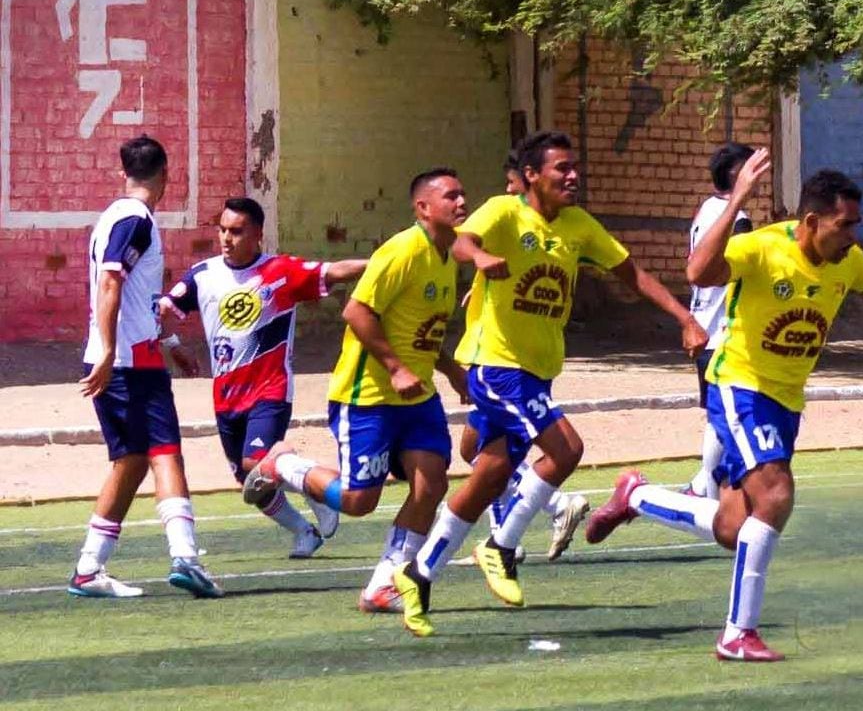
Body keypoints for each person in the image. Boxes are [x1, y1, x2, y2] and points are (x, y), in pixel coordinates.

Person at [587, 152, 863, 662]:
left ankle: (637, 496)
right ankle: (737, 634)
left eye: (857, 226)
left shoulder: (844, 261)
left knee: (734, 528)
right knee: (775, 495)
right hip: (740, 386)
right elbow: (699, 270)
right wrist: (736, 202)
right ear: (812, 222)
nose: (854, 237)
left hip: (785, 400)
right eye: (846, 226)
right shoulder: (764, 247)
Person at [392, 131, 708, 637]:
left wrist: (683, 317)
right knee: (566, 449)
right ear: (532, 176)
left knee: (489, 476)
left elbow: (632, 274)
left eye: (574, 167)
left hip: (536, 371)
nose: (573, 176)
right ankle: (502, 545)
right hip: (497, 366)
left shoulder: (579, 226)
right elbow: (462, 242)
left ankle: (418, 572)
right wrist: (479, 258)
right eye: (561, 168)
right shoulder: (503, 211)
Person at [240, 168, 470, 613]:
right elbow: (357, 312)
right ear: (423, 207)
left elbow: (418, 329)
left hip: (417, 397)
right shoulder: (402, 250)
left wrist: (451, 370)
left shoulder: (445, 257)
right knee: (359, 501)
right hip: (367, 396)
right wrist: (396, 368)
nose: (462, 203)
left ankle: (385, 583)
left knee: (431, 484)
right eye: (451, 196)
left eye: (463, 195)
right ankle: (284, 464)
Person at [159, 198, 367, 558]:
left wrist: (387, 261)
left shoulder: (280, 271)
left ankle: (319, 490)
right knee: (249, 482)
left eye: (237, 231)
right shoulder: (202, 275)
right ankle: (305, 531)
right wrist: (174, 345)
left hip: (270, 390)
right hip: (225, 396)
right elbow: (162, 310)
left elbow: (334, 271)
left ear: (257, 234)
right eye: (223, 229)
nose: (227, 238)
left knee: (257, 462)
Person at [70, 135, 222, 599]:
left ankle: (88, 570)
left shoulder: (113, 217)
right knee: (165, 453)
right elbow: (112, 283)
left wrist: (171, 340)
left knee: (132, 461)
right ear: (166, 174)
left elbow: (133, 294)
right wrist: (113, 351)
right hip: (129, 363)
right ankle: (186, 557)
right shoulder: (136, 220)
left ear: (123, 171)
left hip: (125, 356)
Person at [458, 147, 590, 563]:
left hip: (507, 362)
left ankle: (503, 541)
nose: (508, 192)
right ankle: (537, 516)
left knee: (505, 453)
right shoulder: (502, 221)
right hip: (488, 354)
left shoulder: (518, 216)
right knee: (474, 449)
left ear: (527, 179)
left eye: (512, 184)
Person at [683, 142, 755, 500]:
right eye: (749, 167)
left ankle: (704, 482)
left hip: (703, 323)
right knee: (722, 412)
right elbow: (747, 269)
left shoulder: (706, 210)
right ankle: (705, 487)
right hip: (721, 329)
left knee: (716, 410)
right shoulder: (734, 218)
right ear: (733, 174)